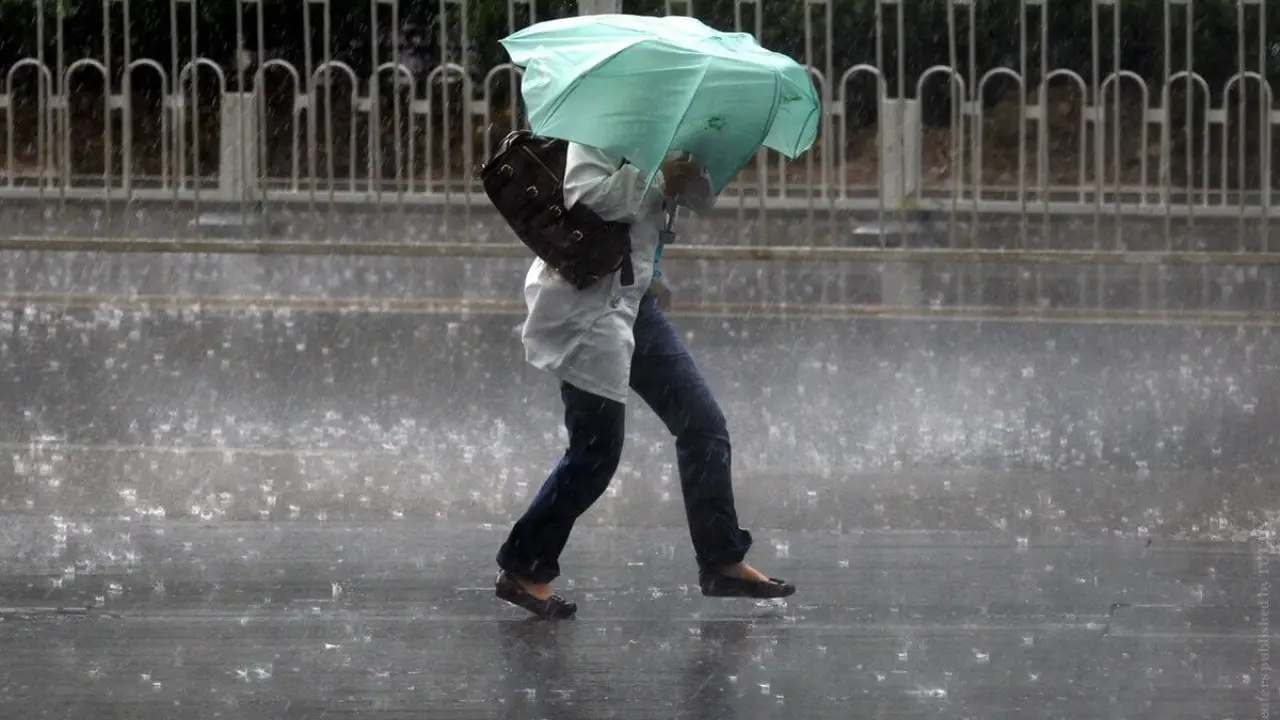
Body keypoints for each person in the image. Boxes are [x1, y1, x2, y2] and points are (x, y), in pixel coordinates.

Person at [494, 142, 796, 619]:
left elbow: (698, 199)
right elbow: (584, 195)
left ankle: (721, 560)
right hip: (588, 303)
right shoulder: (601, 124)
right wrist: (657, 181)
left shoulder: (669, 126)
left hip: (635, 302)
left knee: (702, 426)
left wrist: (693, 167)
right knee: (595, 452)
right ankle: (523, 566)